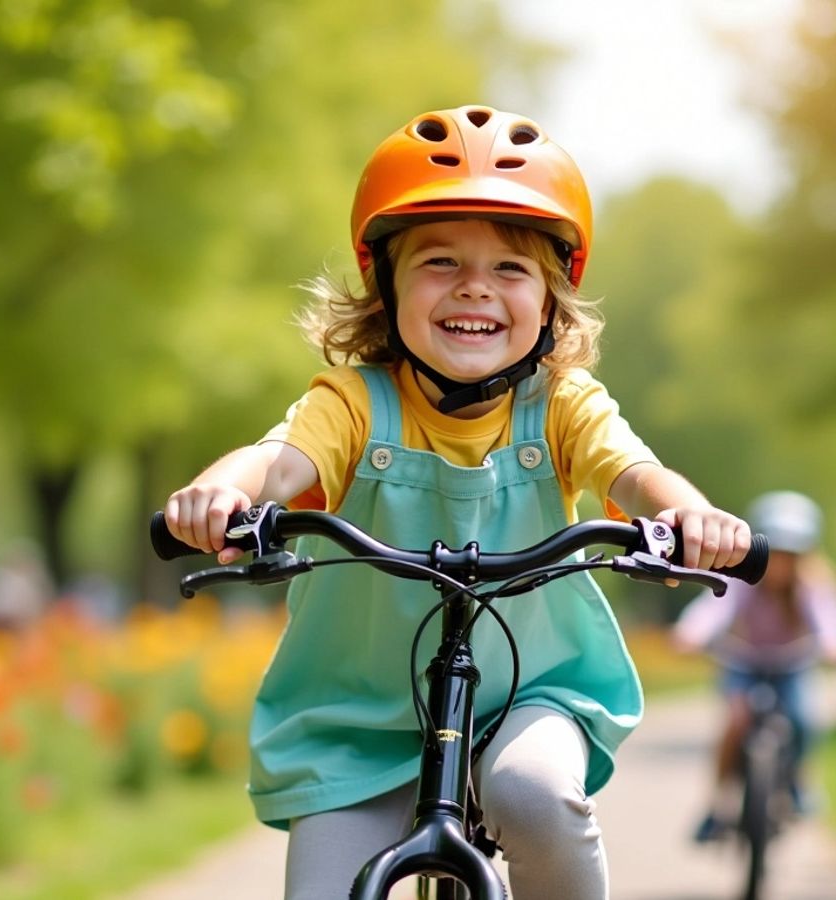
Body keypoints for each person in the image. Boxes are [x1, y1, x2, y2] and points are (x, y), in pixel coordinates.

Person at [162, 104, 751, 900]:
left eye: (510, 269)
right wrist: (220, 492)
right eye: (439, 261)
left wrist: (691, 516)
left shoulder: (563, 404)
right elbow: (276, 461)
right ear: (386, 284)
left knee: (535, 796)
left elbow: (637, 476)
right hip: (357, 716)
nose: (475, 287)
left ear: (550, 300)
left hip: (530, 691)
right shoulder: (354, 403)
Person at [674, 490, 836, 842]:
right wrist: (691, 632)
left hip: (791, 664)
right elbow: (713, 608)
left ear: (803, 556)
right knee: (735, 722)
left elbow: (827, 622)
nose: (779, 563)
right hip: (743, 661)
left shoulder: (811, 586)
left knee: (803, 719)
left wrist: (830, 646)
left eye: (790, 555)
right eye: (774, 552)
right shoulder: (742, 579)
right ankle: (717, 806)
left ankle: (796, 783)